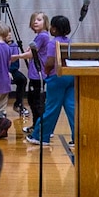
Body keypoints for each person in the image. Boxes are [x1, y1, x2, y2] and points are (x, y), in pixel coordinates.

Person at [26, 16, 75, 147]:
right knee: (71, 107)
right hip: (70, 76)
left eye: (52, 26)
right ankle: (78, 137)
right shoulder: (69, 41)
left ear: (55, 29)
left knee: (51, 107)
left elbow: (50, 62)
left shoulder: (53, 43)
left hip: (57, 77)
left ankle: (40, 136)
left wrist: (46, 72)